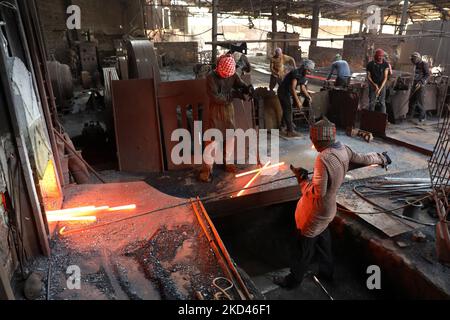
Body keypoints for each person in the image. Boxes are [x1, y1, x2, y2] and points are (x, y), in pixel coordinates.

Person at [273, 118, 392, 289]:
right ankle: (326, 274)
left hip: (315, 213)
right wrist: (382, 158)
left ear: (319, 140)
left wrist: (302, 180)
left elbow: (317, 193)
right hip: (328, 211)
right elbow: (364, 158)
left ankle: (293, 281)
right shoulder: (343, 148)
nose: (313, 144)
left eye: (314, 141)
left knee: (303, 250)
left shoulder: (323, 158)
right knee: (323, 243)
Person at [198, 54, 253, 183]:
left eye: (230, 75)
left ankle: (227, 162)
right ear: (219, 69)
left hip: (228, 110)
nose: (228, 77)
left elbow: (239, 83)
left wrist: (247, 88)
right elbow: (216, 97)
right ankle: (207, 167)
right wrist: (233, 94)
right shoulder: (211, 77)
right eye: (225, 75)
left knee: (230, 136)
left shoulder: (232, 73)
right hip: (216, 109)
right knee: (213, 138)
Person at [277, 59, 315, 137]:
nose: (309, 72)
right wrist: (298, 101)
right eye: (308, 70)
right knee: (288, 109)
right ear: (304, 68)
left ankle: (282, 126)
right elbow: (292, 88)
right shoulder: (296, 73)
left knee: (286, 108)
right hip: (283, 92)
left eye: (310, 71)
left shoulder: (303, 76)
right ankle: (290, 131)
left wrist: (308, 96)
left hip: (287, 92)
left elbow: (302, 88)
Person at [408, 52, 430, 122]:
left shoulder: (424, 64)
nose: (412, 61)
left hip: (421, 85)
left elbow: (427, 75)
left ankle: (422, 117)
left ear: (417, 58)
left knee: (420, 102)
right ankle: (410, 116)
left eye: (413, 59)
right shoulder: (415, 64)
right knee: (412, 100)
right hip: (414, 84)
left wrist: (421, 82)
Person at [366, 48, 390, 114]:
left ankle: (383, 119)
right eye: (379, 56)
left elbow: (385, 78)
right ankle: (370, 117)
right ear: (375, 56)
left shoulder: (385, 64)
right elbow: (368, 76)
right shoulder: (370, 64)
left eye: (382, 56)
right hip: (373, 84)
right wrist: (374, 85)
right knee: (372, 102)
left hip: (382, 84)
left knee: (382, 102)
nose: (380, 57)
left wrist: (380, 89)